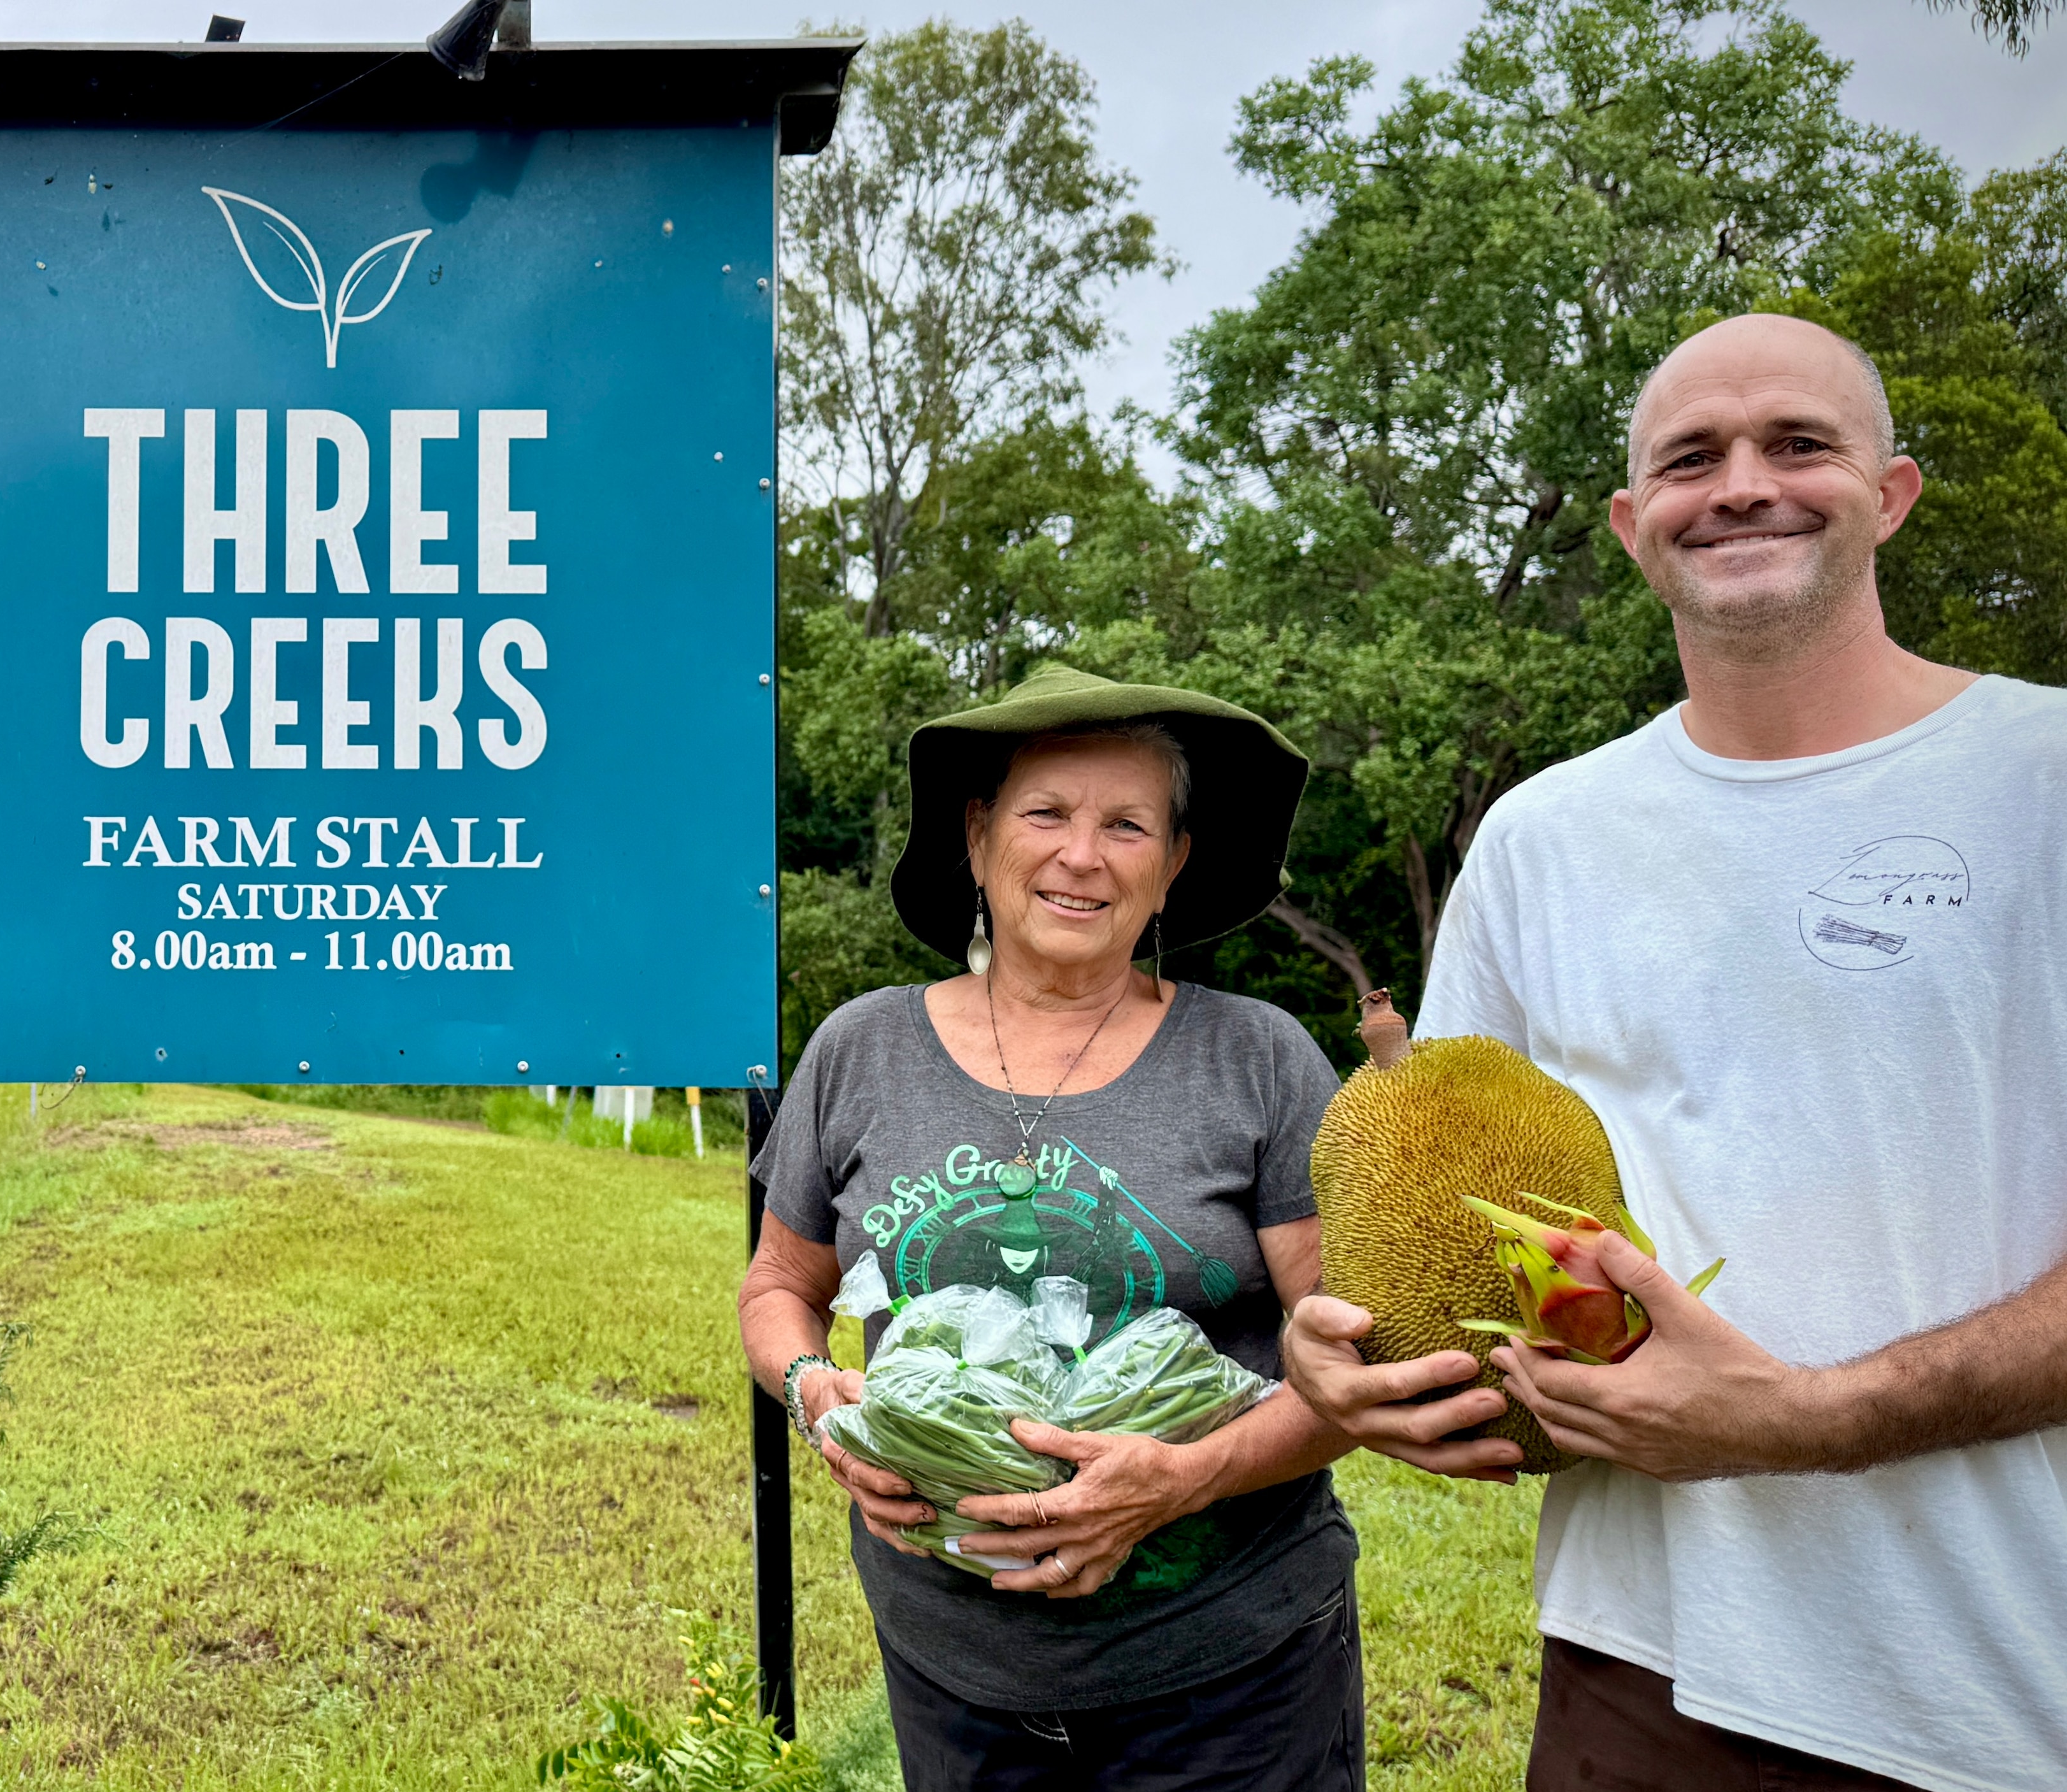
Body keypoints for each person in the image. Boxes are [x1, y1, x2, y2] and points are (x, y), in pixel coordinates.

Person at [1282, 312, 2067, 1791]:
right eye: (1692, 458)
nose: (1743, 484)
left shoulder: (2042, 777)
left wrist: (1807, 1420)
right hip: (1641, 1668)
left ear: (1891, 493)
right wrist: (1351, 1367)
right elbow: (1458, 1221)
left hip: (2002, 1681)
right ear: (1632, 525)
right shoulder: (1542, 838)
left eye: (1798, 443)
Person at [739, 665, 1368, 1791]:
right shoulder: (862, 1050)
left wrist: (1187, 1475)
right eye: (1046, 813)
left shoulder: (1258, 1059)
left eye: (1128, 824)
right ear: (978, 837)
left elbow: (1355, 1362)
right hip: (954, 1677)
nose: (1083, 855)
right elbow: (779, 1285)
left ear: (1173, 863)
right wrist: (814, 1395)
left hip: (1231, 1676)